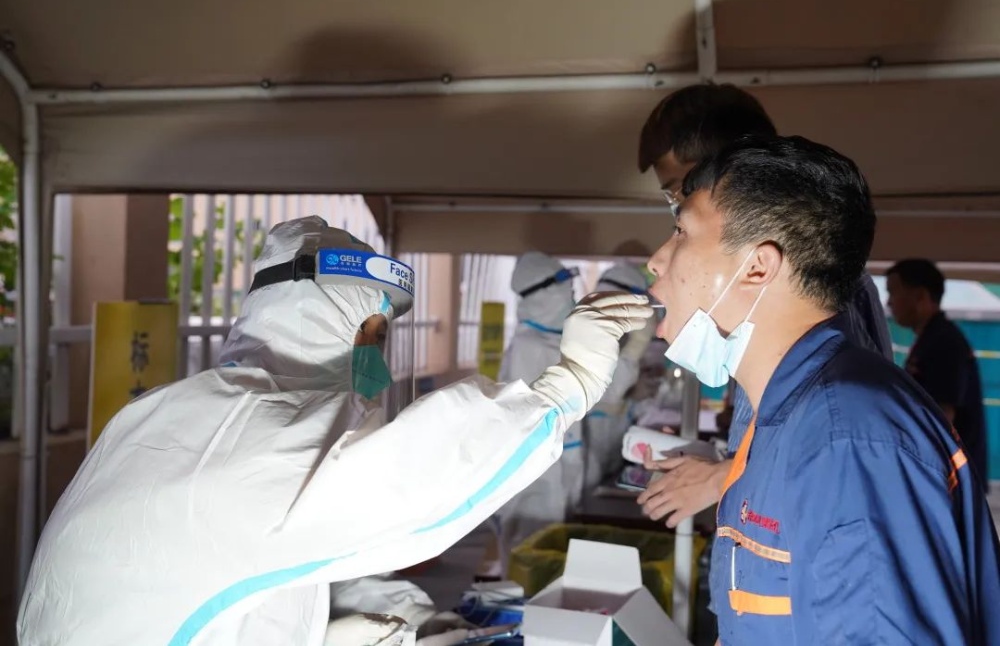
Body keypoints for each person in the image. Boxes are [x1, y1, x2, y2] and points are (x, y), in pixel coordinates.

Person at [17, 217, 652, 646]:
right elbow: (409, 480)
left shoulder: (184, 411)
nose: (378, 361)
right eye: (374, 337)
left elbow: (261, 561)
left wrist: (380, 617)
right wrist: (565, 385)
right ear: (336, 327)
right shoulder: (250, 433)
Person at [643, 135, 1000, 643]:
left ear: (758, 267)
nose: (657, 260)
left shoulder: (847, 437)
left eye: (681, 231)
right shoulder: (785, 416)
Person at [635, 83, 893, 530]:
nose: (659, 259)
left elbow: (834, 466)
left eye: (681, 197)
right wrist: (729, 462)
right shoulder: (764, 334)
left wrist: (722, 477)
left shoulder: (824, 304)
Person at [490, 252, 583, 567]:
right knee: (531, 562)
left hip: (554, 471)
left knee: (547, 557)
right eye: (565, 291)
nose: (571, 298)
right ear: (542, 295)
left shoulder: (550, 342)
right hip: (536, 478)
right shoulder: (529, 347)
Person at [887, 258, 989, 491]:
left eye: (894, 292)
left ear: (920, 297)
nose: (889, 302)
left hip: (949, 478)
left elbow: (943, 416)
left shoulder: (944, 342)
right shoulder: (930, 339)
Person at [582, 262, 656, 496]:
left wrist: (637, 398)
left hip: (607, 457)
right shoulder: (582, 339)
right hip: (582, 461)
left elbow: (621, 404)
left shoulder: (620, 339)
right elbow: (608, 396)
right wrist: (636, 347)